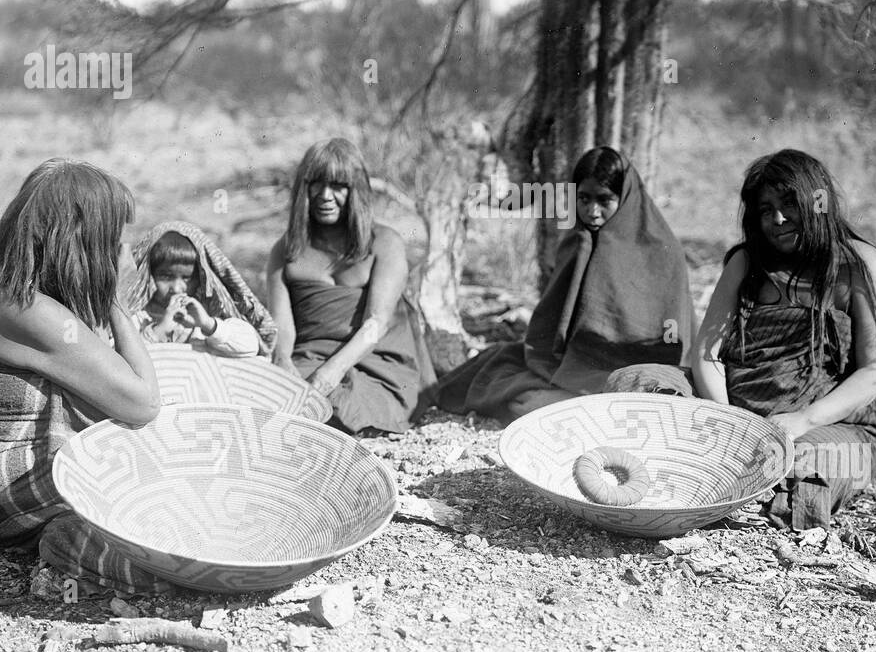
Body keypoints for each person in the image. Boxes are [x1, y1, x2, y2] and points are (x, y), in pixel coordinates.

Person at [606, 149, 876, 530]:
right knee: (636, 384)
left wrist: (802, 420)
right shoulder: (747, 262)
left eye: (789, 204)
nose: (778, 220)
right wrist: (726, 420)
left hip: (819, 422)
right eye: (765, 210)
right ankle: (709, 466)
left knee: (815, 466)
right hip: (730, 409)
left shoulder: (860, 264)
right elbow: (708, 355)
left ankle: (711, 475)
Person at [0, 159, 168, 593]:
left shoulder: (18, 296)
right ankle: (67, 539)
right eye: (113, 239)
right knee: (157, 477)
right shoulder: (29, 312)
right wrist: (116, 298)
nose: (121, 249)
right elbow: (143, 405)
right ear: (84, 242)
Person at [435, 146, 697, 423]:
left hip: (642, 367)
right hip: (580, 366)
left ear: (626, 198)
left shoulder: (661, 251)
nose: (592, 211)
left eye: (604, 200)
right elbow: (553, 328)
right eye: (584, 199)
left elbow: (674, 338)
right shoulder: (578, 242)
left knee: (638, 396)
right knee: (519, 394)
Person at [265, 138, 436, 434]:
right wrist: (283, 367)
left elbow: (377, 323)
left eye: (338, 186)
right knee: (270, 400)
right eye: (316, 184)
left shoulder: (386, 242)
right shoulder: (286, 249)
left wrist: (327, 376)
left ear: (355, 190)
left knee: (337, 405)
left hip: (373, 361)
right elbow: (282, 327)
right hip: (307, 358)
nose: (325, 196)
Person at [122, 220, 275, 358]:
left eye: (187, 278)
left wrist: (208, 324)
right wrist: (159, 330)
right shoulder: (137, 320)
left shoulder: (208, 313)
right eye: (166, 277)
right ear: (149, 276)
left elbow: (251, 347)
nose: (176, 288)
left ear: (201, 278)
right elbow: (121, 359)